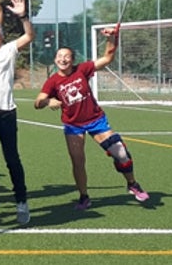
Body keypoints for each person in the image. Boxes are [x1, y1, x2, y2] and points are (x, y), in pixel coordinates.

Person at [34, 29, 150, 210]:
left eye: (67, 56)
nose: (62, 59)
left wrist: (111, 37)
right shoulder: (52, 81)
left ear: (72, 60)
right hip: (73, 126)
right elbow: (38, 102)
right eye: (59, 56)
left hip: (96, 120)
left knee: (120, 153)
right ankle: (84, 196)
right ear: (55, 59)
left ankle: (132, 184)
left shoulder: (82, 69)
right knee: (78, 162)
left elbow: (108, 57)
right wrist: (48, 100)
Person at [0, 0, 35, 223]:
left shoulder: (9, 49)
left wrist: (23, 16)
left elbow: (29, 36)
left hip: (6, 113)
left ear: (1, 37)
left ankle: (21, 201)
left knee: (12, 159)